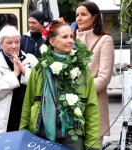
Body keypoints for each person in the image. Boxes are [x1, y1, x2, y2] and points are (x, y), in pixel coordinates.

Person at [19, 19, 101, 150]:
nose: (70, 40)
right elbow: (28, 104)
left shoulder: (82, 71)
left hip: (73, 137)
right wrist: (22, 135)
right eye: (65, 37)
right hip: (42, 135)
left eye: (71, 36)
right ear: (52, 42)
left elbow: (92, 110)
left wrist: (93, 145)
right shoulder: (39, 69)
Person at [0, 25, 38, 135]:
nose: (14, 46)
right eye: (9, 43)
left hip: (27, 119)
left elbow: (39, 83)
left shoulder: (30, 60)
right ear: (0, 44)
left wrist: (23, 70)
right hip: (2, 123)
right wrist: (15, 73)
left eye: (17, 42)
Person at [74, 1, 114, 140]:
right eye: (77, 15)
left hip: (93, 105)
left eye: (83, 14)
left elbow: (104, 78)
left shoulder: (105, 40)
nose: (79, 18)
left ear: (95, 17)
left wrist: (77, 94)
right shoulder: (70, 39)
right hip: (70, 109)